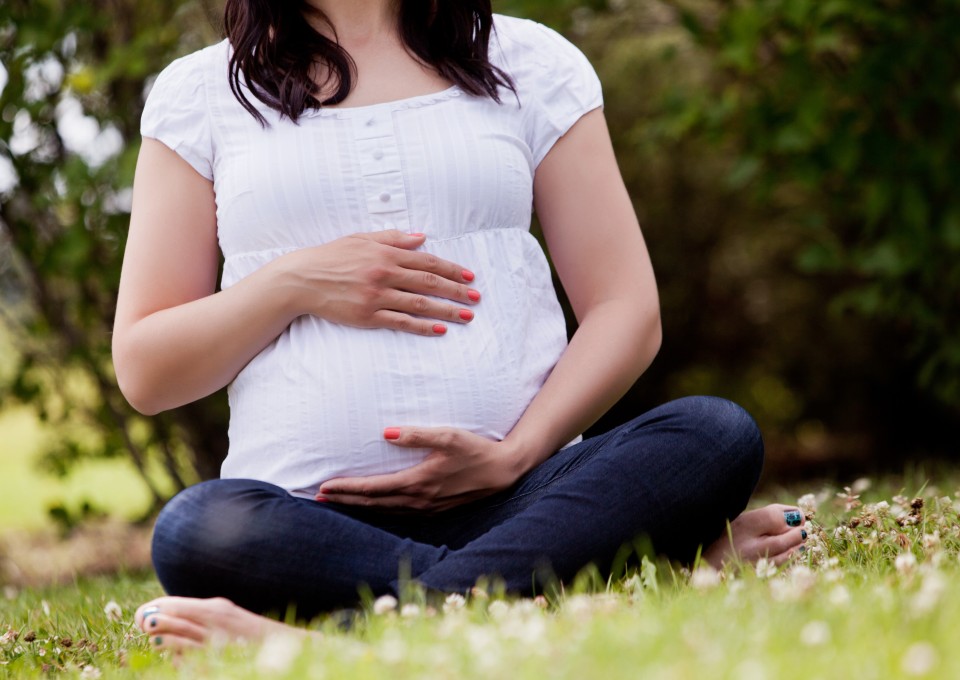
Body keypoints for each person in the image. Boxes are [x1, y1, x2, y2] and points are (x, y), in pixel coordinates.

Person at [114, 0, 806, 652]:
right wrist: (294, 283)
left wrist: (517, 454)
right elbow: (147, 368)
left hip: (528, 498)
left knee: (715, 434)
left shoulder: (531, 62)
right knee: (195, 531)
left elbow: (626, 308)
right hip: (310, 521)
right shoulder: (201, 93)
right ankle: (578, 588)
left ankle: (344, 639)